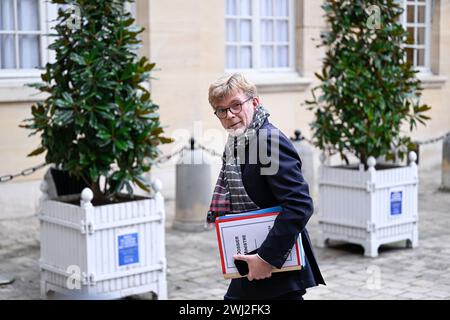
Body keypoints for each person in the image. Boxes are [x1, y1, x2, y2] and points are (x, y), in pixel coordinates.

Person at [207, 73, 325, 300]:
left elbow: (299, 204)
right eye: (222, 110)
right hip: (254, 259)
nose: (229, 115)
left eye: (235, 105)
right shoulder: (238, 141)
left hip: (275, 264)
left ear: (254, 102)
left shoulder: (267, 140)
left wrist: (266, 259)